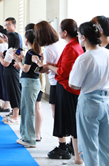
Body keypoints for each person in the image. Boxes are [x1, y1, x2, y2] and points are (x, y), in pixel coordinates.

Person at [35, 19, 84, 163]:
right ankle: (74, 152)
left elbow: (63, 71)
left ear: (65, 32)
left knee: (65, 120)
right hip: (68, 87)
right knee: (69, 121)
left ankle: (72, 153)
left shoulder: (71, 47)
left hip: (66, 87)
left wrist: (48, 67)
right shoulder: (68, 45)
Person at [69, 21, 109, 166]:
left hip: (89, 101)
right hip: (106, 100)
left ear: (83, 37)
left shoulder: (85, 57)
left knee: (89, 146)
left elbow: (74, 84)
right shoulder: (107, 53)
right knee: (106, 146)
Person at [13, 29, 41, 148]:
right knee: (26, 109)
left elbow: (25, 69)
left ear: (26, 40)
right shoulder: (35, 51)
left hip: (29, 83)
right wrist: (22, 59)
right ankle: (26, 136)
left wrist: (18, 61)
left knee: (28, 111)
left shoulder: (31, 52)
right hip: (32, 82)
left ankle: (29, 139)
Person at [0, 32, 21, 125]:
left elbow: (6, 63)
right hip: (12, 73)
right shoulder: (16, 48)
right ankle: (14, 115)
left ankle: (15, 116)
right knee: (13, 93)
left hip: (11, 73)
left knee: (14, 93)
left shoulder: (11, 50)